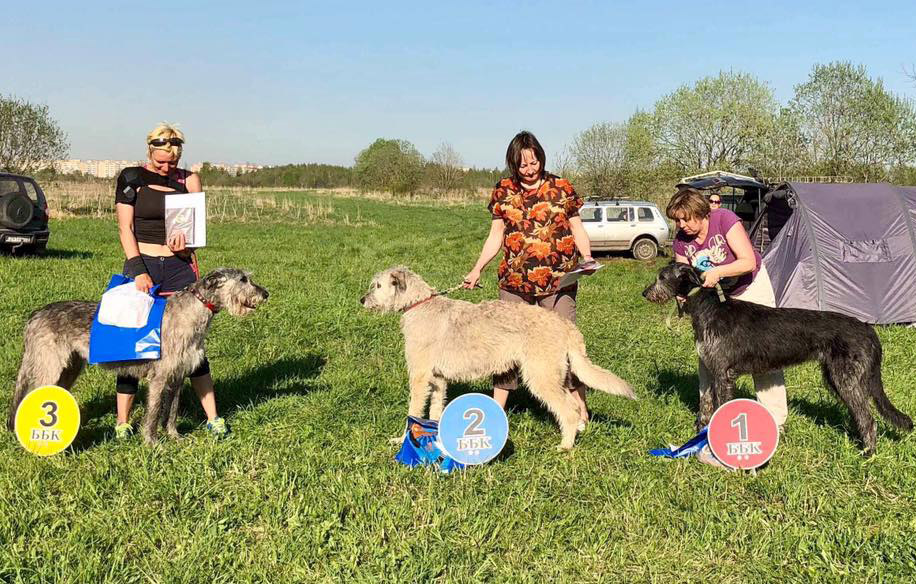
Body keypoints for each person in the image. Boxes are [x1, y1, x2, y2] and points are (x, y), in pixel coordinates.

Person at [462, 131, 598, 426]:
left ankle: (579, 409)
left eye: (533, 162)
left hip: (558, 283)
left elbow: (577, 227)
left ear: (541, 157)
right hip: (515, 284)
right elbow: (495, 235)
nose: (529, 169)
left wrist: (587, 258)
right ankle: (497, 411)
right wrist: (477, 269)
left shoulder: (561, 187)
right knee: (504, 347)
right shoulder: (503, 191)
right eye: (522, 165)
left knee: (564, 343)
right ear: (513, 164)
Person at [113, 123, 227, 439]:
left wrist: (185, 246)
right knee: (134, 344)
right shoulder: (131, 177)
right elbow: (126, 229)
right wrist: (138, 270)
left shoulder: (189, 180)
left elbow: (196, 234)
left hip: (179, 269)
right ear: (149, 151)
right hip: (142, 266)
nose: (167, 167)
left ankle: (212, 418)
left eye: (172, 162)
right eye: (161, 161)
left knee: (190, 346)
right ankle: (123, 422)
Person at [666, 187, 787, 467]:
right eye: (677, 221)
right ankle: (710, 421)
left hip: (748, 288)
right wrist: (681, 295)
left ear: (700, 213)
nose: (682, 226)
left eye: (686, 220)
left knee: (766, 356)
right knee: (710, 357)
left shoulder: (724, 219)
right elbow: (684, 276)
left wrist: (718, 271)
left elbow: (747, 261)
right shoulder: (681, 241)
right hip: (714, 300)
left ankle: (775, 422)